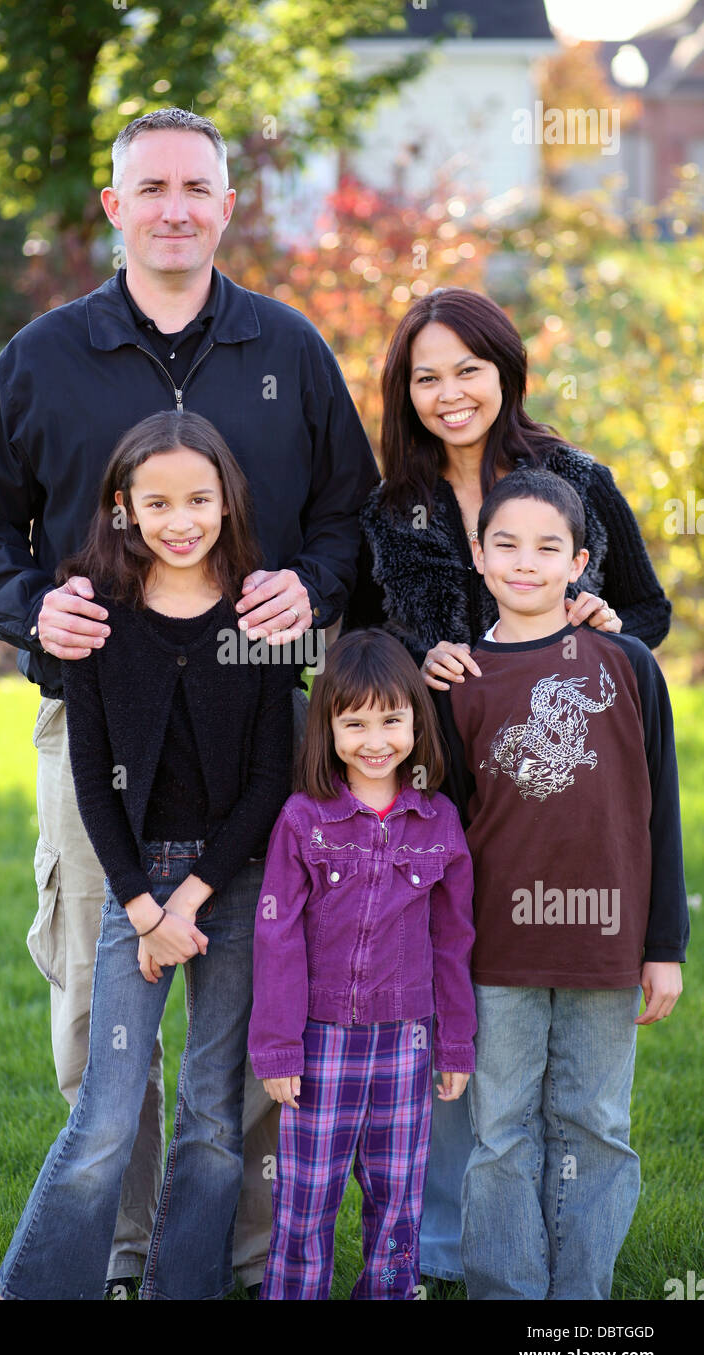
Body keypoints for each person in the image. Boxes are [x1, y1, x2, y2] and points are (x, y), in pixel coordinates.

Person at [0, 107, 378, 1292]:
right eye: (153, 186)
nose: (176, 205)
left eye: (199, 185)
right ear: (115, 207)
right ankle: (123, 1255)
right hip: (99, 720)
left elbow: (351, 516)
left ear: (228, 205)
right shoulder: (42, 357)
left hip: (255, 724)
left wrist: (314, 582)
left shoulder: (289, 351)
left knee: (248, 1006)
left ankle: (229, 1260)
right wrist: (27, 605)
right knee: (103, 1005)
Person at [344, 284, 672, 1282]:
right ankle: (461, 1258)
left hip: (572, 792)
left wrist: (608, 640)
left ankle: (568, 1284)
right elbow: (360, 638)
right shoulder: (390, 508)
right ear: (403, 389)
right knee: (470, 1068)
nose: (449, 393)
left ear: (503, 371)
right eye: (425, 375)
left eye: (467, 369)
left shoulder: (572, 475)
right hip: (445, 796)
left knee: (578, 1101)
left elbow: (645, 612)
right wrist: (414, 664)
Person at [0, 409, 295, 1300]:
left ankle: (184, 1286)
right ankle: (38, 1289)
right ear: (122, 507)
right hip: (136, 887)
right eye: (155, 502)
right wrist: (140, 905)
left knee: (211, 1113)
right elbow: (92, 774)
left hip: (234, 884)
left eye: (198, 498)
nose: (179, 519)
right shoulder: (95, 610)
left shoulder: (256, 615)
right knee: (107, 1110)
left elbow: (271, 777)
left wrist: (192, 899)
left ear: (228, 501)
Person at [432, 467, 688, 1300]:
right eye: (505, 544)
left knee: (595, 1125)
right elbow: (449, 833)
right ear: (477, 555)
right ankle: (509, 1294)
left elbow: (661, 816)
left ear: (580, 560)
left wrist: (664, 948)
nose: (526, 562)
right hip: (497, 946)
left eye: (549, 548)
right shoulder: (458, 681)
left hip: (607, 944)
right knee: (501, 1129)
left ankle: (579, 1305)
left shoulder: (626, 666)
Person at [248, 629, 477, 1300]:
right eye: (354, 723)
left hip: (406, 1044)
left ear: (415, 719)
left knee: (397, 1200)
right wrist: (280, 1047)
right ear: (328, 728)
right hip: (320, 1044)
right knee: (306, 1199)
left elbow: (452, 938)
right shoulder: (302, 822)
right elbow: (277, 937)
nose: (375, 740)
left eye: (391, 719)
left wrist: (454, 1044)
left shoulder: (439, 822)